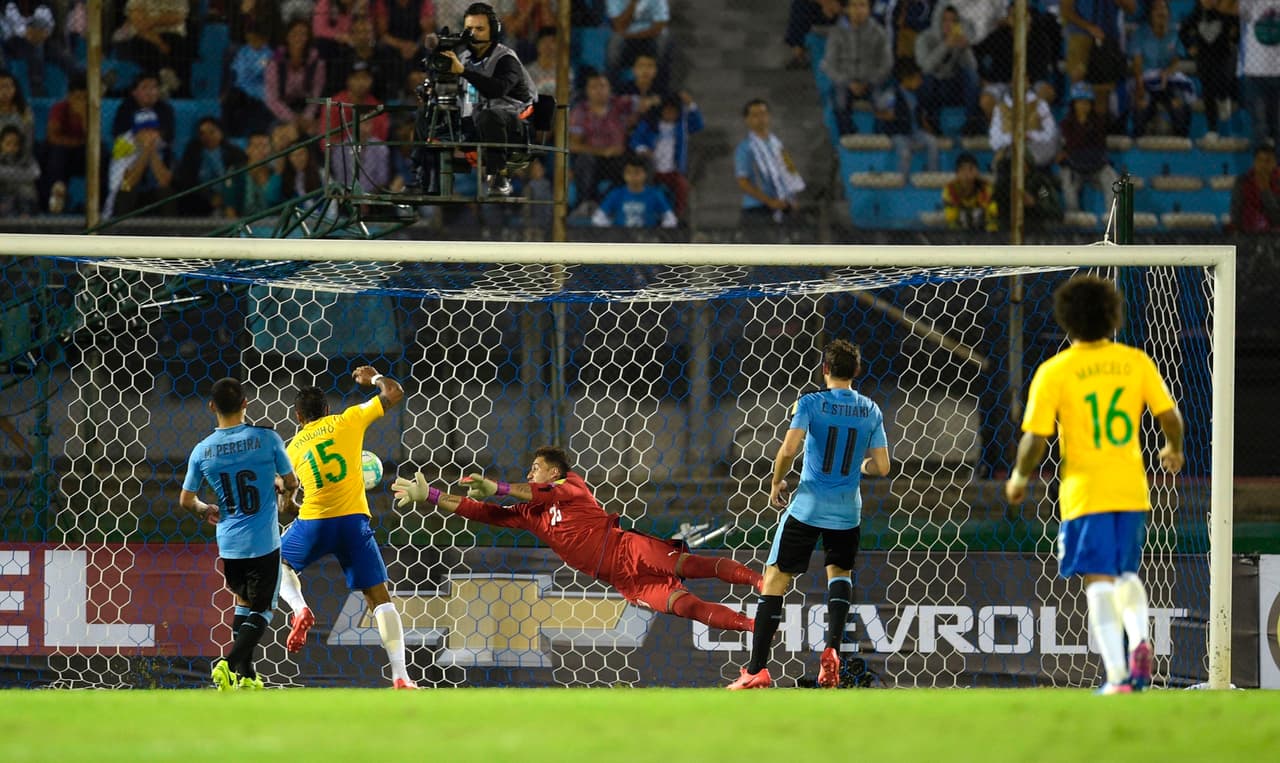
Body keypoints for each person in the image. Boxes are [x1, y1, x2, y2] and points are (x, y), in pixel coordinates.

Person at [1005, 275, 1184, 694]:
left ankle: (1119, 676)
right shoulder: (1135, 361)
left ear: (1066, 320)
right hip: (1131, 487)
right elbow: (1170, 416)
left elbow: (1035, 437)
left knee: (1098, 581)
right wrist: (1172, 447)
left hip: (1085, 492)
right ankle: (1141, 638)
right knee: (1127, 573)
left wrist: (1018, 477)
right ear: (1112, 315)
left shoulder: (1055, 371)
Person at [392, 446, 762, 631]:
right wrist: (432, 497)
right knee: (686, 607)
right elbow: (484, 512)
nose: (530, 471)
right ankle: (753, 625)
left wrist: (499, 486)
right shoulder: (529, 516)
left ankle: (760, 581)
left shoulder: (573, 485)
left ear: (553, 470)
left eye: (535, 467)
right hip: (623, 580)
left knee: (693, 566)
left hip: (629, 549)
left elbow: (536, 493)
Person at [727, 340, 891, 690]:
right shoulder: (870, 409)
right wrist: (860, 465)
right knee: (840, 574)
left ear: (825, 370)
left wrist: (775, 482)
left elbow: (788, 449)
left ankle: (756, 670)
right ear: (857, 372)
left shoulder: (810, 403)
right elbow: (882, 466)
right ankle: (831, 651)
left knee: (774, 581)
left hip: (807, 507)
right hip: (847, 511)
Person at [276, 366, 417, 689]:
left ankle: (299, 609)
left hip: (313, 521)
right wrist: (376, 378)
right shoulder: (348, 420)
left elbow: (286, 506)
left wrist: (293, 505)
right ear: (327, 410)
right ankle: (401, 677)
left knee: (274, 563)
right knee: (380, 599)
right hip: (353, 522)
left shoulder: (291, 449)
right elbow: (394, 393)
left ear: (299, 417)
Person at [180, 377, 300, 690]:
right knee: (262, 610)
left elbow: (186, 500)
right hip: (263, 544)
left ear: (211, 407)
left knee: (243, 603)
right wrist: (285, 495)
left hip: (229, 544)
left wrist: (206, 509)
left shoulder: (202, 451)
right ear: (246, 403)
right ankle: (228, 663)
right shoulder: (267, 439)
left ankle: (246, 676)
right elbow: (291, 480)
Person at [434, 1, 536, 195]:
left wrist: (463, 72)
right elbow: (468, 96)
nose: (473, 34)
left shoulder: (506, 59)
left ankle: (499, 178)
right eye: (469, 29)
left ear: (493, 31)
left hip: (516, 126)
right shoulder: (463, 57)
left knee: (489, 115)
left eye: (479, 29)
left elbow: (497, 90)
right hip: (477, 122)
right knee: (429, 114)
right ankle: (426, 180)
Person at [820, 0, 893, 137]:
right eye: (854, 5)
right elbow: (829, 64)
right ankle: (847, 141)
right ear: (847, 9)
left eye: (862, 5)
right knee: (839, 102)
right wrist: (848, 82)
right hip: (845, 82)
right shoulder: (837, 32)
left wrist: (869, 80)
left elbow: (886, 63)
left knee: (884, 102)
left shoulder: (879, 32)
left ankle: (880, 139)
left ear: (869, 9)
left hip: (872, 82)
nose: (858, 10)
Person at [735, 98, 805, 228]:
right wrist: (770, 201)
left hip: (783, 207)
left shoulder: (777, 144)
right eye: (755, 115)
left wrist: (792, 199)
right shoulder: (745, 148)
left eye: (763, 114)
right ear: (747, 120)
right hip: (757, 209)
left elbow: (789, 172)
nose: (760, 118)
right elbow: (743, 182)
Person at [1178, 0, 1239, 141]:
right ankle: (1212, 129)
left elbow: (1237, 31)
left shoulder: (1225, 14)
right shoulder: (1197, 14)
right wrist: (1190, 47)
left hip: (1223, 55)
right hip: (1204, 58)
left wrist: (1233, 39)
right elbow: (1183, 31)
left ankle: (1224, 98)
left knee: (1222, 78)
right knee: (1208, 90)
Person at [1059, 82, 1118, 216]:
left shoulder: (1098, 121)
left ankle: (1112, 220)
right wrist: (1082, 125)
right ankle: (1075, 221)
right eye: (1080, 102)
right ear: (1073, 104)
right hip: (1075, 166)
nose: (1083, 106)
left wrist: (1085, 125)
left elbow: (1099, 145)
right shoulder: (1066, 123)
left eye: (1087, 102)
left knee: (1113, 180)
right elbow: (1071, 145)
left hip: (1096, 165)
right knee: (1067, 182)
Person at [874, 57, 940, 177]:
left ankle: (932, 175)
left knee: (933, 143)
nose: (920, 81)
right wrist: (886, 115)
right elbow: (878, 109)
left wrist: (929, 129)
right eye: (917, 78)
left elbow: (921, 115)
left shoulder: (918, 95)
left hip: (915, 132)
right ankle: (901, 179)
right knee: (905, 153)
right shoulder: (892, 95)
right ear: (906, 79)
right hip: (898, 133)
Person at [591, 153, 678, 228]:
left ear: (646, 174)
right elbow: (598, 218)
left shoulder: (655, 194)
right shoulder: (616, 194)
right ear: (624, 175)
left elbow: (671, 219)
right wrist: (613, 229)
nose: (632, 176)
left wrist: (659, 231)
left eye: (637, 172)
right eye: (629, 172)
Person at [1230, 139, 1280, 232]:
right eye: (1260, 160)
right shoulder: (1243, 181)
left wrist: (1265, 190)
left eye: (1268, 161)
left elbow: (1277, 219)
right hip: (1248, 234)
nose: (1263, 165)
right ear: (1254, 162)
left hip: (1275, 237)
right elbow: (1235, 214)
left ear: (1275, 163)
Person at [942, 151, 997, 231]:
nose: (967, 174)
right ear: (957, 173)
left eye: (971, 169)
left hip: (984, 230)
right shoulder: (950, 189)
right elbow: (951, 217)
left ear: (977, 172)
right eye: (963, 170)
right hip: (958, 231)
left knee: (992, 210)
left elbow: (992, 213)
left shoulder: (986, 187)